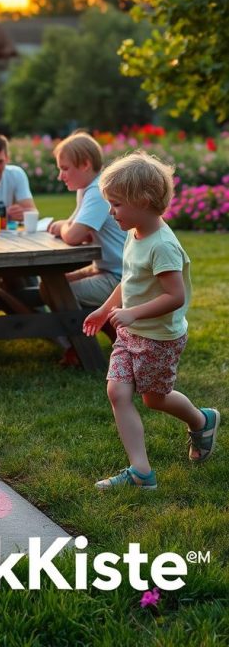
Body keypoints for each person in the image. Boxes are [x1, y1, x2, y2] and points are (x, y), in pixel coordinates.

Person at [83, 150, 220, 490]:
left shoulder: (163, 246)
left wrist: (132, 313)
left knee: (154, 398)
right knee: (117, 391)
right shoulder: (135, 232)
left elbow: (175, 297)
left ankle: (202, 420)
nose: (110, 211)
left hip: (159, 337)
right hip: (131, 333)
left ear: (142, 201)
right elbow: (129, 282)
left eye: (116, 204)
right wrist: (106, 309)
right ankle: (141, 472)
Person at [48, 131, 125, 358]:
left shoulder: (99, 191)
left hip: (121, 277)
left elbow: (73, 235)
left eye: (65, 168)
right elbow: (73, 226)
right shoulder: (87, 189)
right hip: (105, 268)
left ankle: (82, 347)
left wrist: (65, 228)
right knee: (52, 285)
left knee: (61, 292)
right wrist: (68, 227)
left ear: (85, 164)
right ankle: (90, 340)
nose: (60, 175)